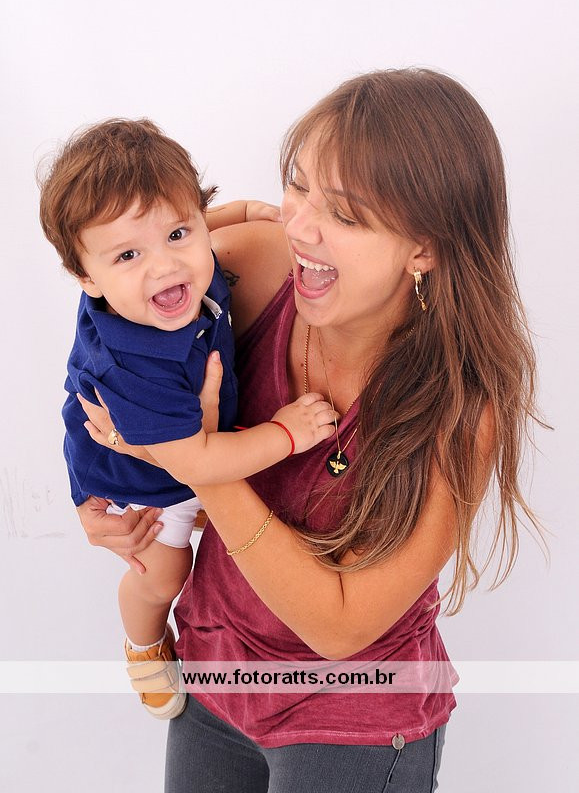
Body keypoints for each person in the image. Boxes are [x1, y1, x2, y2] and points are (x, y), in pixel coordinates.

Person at [76, 69, 543, 792]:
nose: (298, 227)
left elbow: (340, 629)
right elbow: (115, 302)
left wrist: (199, 465)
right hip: (214, 679)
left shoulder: (457, 412)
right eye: (298, 187)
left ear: (423, 248)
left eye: (346, 216)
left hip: (355, 718)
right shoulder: (256, 265)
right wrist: (100, 486)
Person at [38, 119, 335, 720]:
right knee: (165, 570)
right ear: (87, 278)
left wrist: (244, 211)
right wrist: (286, 433)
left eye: (179, 232)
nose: (164, 266)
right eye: (128, 255)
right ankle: (144, 641)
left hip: (180, 434)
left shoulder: (183, 268)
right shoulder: (136, 364)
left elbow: (181, 232)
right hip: (138, 474)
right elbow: (194, 460)